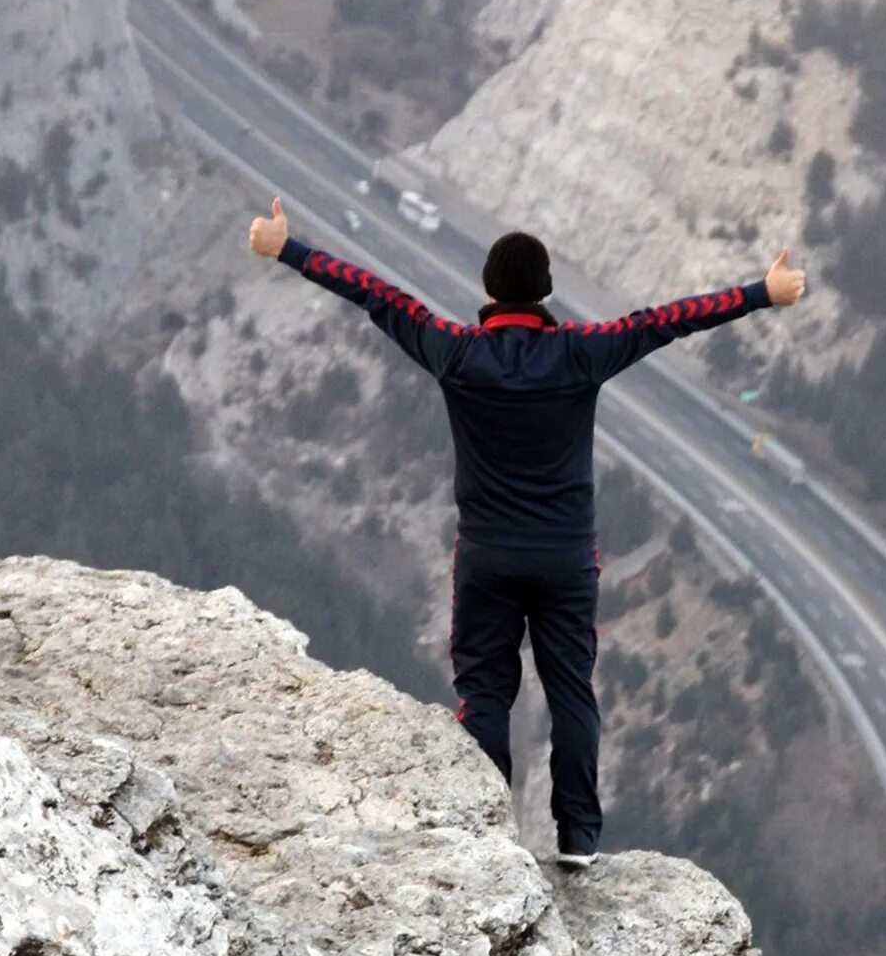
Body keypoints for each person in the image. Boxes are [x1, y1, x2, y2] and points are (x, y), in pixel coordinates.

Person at [248, 197, 805, 868]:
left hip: (486, 555)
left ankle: (486, 833)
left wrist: (288, 249)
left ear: (488, 290)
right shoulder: (581, 353)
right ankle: (577, 839)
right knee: (571, 689)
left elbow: (376, 294)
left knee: (484, 691)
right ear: (545, 293)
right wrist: (761, 293)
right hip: (567, 558)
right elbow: (669, 322)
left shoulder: (454, 352)